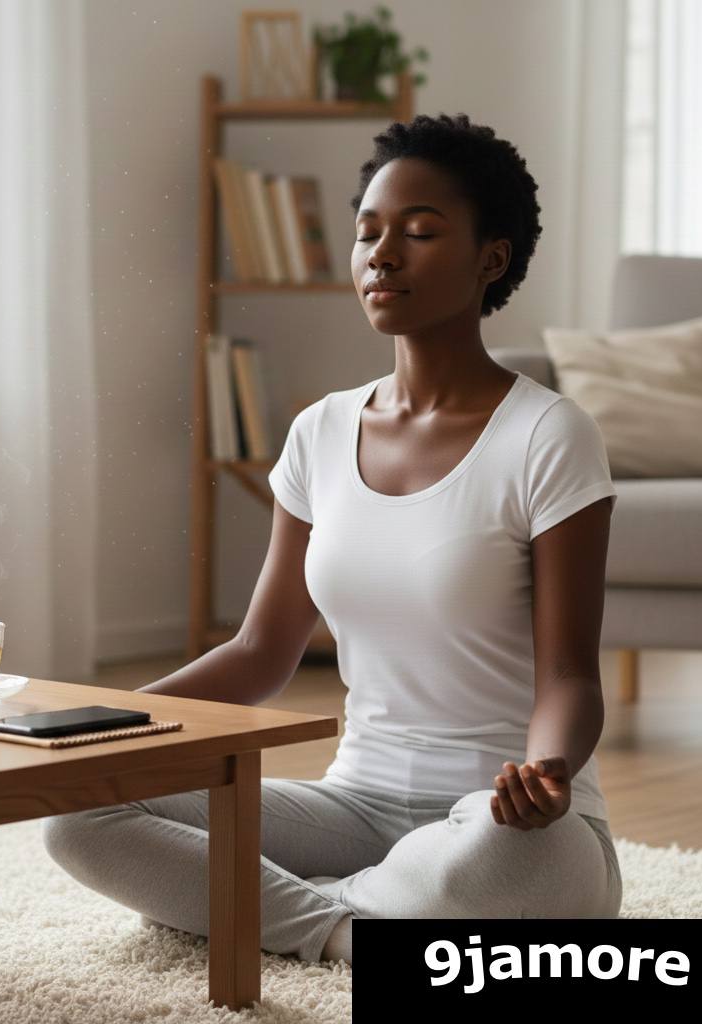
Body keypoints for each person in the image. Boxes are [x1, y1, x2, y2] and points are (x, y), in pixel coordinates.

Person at [40, 113, 623, 967]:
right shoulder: (320, 431)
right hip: (353, 809)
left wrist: (547, 775)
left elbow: (570, 674)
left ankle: (257, 907)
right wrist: (104, 727)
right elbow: (260, 651)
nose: (382, 255)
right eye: (368, 233)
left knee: (500, 865)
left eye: (420, 233)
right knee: (78, 813)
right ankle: (346, 929)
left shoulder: (548, 436)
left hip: (504, 824)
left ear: (490, 259)